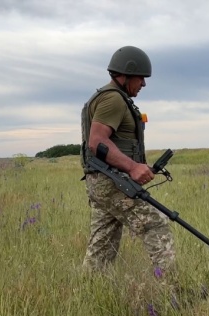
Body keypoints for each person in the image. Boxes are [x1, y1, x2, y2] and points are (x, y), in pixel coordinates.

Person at [79, 46, 176, 277]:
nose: (143, 84)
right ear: (127, 73)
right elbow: (97, 142)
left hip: (103, 182)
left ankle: (90, 292)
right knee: (157, 226)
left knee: (102, 244)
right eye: (141, 77)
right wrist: (132, 167)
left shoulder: (111, 97)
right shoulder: (113, 99)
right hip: (112, 182)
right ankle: (175, 294)